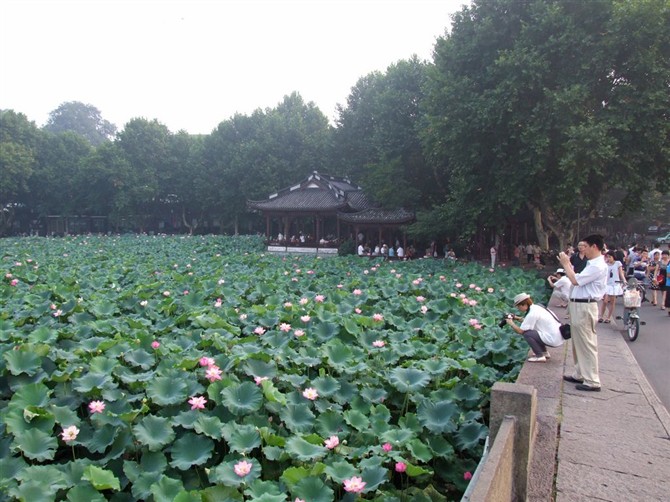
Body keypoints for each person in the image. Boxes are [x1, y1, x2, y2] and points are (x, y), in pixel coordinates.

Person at [558, 234, 608, 392]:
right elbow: (578, 278)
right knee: (578, 342)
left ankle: (592, 380)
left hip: (585, 307)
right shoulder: (592, 263)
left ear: (594, 246)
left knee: (586, 343)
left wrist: (566, 264)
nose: (582, 250)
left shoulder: (597, 266)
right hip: (578, 306)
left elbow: (575, 281)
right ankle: (580, 373)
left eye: (585, 246)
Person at [505, 292, 564, 362]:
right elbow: (529, 322)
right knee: (533, 332)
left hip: (553, 339)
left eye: (518, 306)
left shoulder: (532, 314)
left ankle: (540, 356)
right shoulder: (536, 307)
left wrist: (511, 323)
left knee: (527, 334)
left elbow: (521, 331)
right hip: (557, 336)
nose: (518, 308)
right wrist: (516, 318)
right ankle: (544, 353)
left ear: (523, 304)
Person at [598, 251, 626, 323]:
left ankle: (608, 317)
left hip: (615, 284)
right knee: (605, 301)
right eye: (607, 257)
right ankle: (601, 316)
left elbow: (620, 273)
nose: (608, 258)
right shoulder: (605, 264)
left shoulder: (618, 263)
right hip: (607, 284)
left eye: (610, 257)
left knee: (612, 301)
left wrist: (624, 280)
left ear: (613, 257)